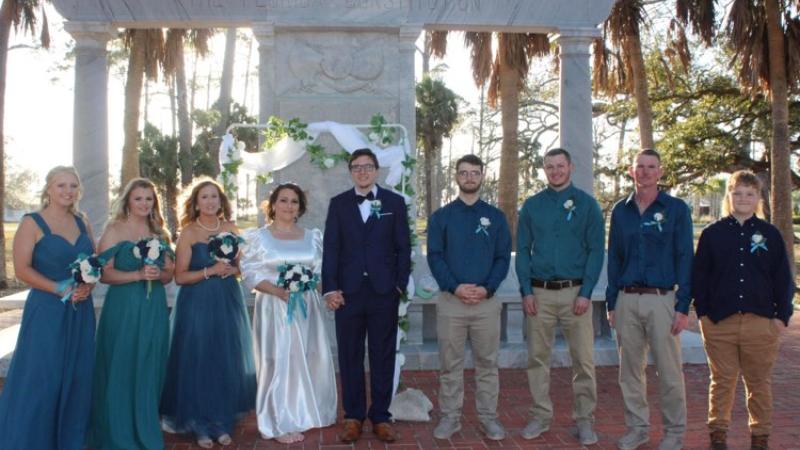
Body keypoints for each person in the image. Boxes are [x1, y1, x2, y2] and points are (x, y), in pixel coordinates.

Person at [692, 170, 794, 450]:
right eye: (737, 192)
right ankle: (718, 437)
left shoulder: (770, 235)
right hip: (719, 323)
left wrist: (781, 318)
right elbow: (700, 277)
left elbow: (784, 278)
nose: (743, 198)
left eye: (750, 193)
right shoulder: (712, 234)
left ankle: (760, 438)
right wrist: (703, 315)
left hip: (760, 323)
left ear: (758, 198)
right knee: (722, 382)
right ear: (729, 196)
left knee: (759, 384)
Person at [0, 167, 96, 449]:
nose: (68, 191)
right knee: (43, 376)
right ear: (49, 189)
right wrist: (59, 288)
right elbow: (21, 270)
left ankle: (69, 440)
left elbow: (94, 263)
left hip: (80, 309)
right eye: (61, 185)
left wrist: (88, 286)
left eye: (73, 186)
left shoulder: (82, 222)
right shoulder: (32, 223)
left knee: (77, 376)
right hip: (47, 310)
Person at [515, 148, 604, 445]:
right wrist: (526, 290)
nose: (555, 171)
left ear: (571, 166)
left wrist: (586, 292)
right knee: (537, 359)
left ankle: (585, 420)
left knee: (583, 361)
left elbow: (596, 251)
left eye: (560, 166)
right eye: (550, 167)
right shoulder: (532, 206)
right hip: (539, 294)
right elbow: (523, 252)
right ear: (544, 170)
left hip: (575, 294)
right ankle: (540, 416)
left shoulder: (588, 205)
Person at [322, 148, 411, 443]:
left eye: (368, 166)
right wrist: (331, 288)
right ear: (350, 171)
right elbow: (331, 249)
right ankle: (353, 416)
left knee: (382, 354)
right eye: (357, 167)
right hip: (348, 293)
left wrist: (398, 284)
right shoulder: (338, 204)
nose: (362, 171)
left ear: (376, 170)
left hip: (383, 292)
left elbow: (403, 248)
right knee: (350, 355)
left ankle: (381, 416)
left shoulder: (394, 203)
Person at [606, 149, 693, 450]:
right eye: (639, 167)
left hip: (662, 300)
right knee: (629, 371)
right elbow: (615, 259)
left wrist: (682, 306)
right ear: (632, 172)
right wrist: (611, 302)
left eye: (651, 167)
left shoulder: (676, 209)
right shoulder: (620, 210)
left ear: (660, 172)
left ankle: (673, 433)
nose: (644, 172)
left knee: (668, 371)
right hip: (627, 299)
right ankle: (637, 428)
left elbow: (685, 257)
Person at [160, 178, 256, 448]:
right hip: (197, 303)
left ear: (221, 201)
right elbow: (179, 277)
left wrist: (232, 270)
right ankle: (200, 424)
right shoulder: (189, 233)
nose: (210, 201)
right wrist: (209, 271)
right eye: (204, 197)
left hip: (227, 302)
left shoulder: (230, 228)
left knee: (225, 359)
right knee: (199, 360)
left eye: (214, 196)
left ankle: (221, 421)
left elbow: (243, 268)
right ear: (196, 202)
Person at [240, 183, 336, 444]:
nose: (288, 206)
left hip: (308, 307)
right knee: (277, 360)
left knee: (306, 356)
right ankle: (275, 420)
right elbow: (249, 273)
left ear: (300, 208)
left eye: (294, 202)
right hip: (274, 306)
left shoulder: (312, 236)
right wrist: (278, 291)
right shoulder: (258, 237)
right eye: (283, 200)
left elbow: (320, 274)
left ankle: (305, 411)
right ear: (272, 205)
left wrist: (324, 290)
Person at [426, 154, 511, 441]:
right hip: (452, 303)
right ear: (457, 177)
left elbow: (502, 258)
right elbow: (435, 257)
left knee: (487, 364)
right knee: (450, 364)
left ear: (482, 176)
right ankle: (450, 418)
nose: (470, 178)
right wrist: (454, 287)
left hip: (486, 304)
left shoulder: (496, 218)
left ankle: (489, 418)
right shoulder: (441, 217)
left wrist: (487, 288)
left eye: (475, 173)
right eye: (464, 173)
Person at [89, 178, 175, 450]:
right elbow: (104, 273)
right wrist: (137, 274)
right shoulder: (114, 229)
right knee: (121, 363)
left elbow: (168, 274)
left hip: (153, 308)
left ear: (154, 203)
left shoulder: (159, 232)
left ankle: (145, 428)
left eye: (149, 198)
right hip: (123, 307)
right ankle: (117, 433)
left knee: (150, 364)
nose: (144, 203)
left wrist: (158, 273)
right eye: (138, 198)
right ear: (128, 200)